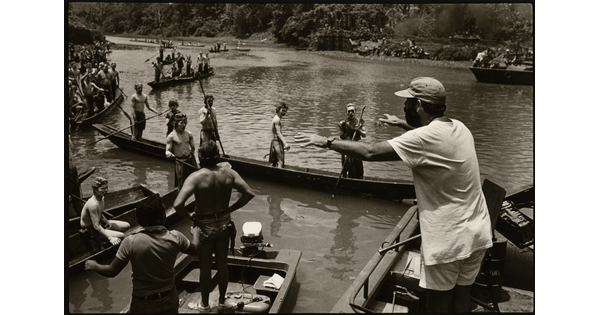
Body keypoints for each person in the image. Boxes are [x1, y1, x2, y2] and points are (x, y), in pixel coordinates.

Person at [294, 77, 493, 313]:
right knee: (461, 300)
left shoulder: (423, 139)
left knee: (437, 307)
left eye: (407, 102)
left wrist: (326, 141)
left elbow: (369, 151)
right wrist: (400, 124)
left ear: (418, 105)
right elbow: (429, 137)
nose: (404, 106)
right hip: (478, 232)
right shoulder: (459, 128)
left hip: (448, 240)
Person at [173, 140, 256, 312]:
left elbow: (177, 205)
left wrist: (189, 217)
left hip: (204, 224)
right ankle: (221, 302)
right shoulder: (229, 173)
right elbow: (249, 193)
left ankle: (204, 305)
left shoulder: (196, 177)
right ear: (217, 156)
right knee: (222, 264)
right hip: (225, 223)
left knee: (205, 267)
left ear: (200, 157)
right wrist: (231, 208)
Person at [85, 194, 202, 314]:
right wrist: (196, 234)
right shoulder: (176, 237)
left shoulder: (130, 242)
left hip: (142, 303)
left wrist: (94, 265)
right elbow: (195, 249)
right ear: (162, 218)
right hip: (169, 299)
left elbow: (111, 271)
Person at [80, 177, 131, 246]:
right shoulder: (93, 204)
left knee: (127, 225)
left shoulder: (102, 197)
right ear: (95, 190)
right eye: (103, 189)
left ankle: (107, 237)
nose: (106, 190)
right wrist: (110, 238)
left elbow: (100, 214)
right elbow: (96, 226)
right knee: (121, 235)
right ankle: (106, 239)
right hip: (90, 229)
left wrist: (106, 222)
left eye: (106, 187)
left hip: (99, 224)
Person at [166, 113, 200, 190]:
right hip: (180, 162)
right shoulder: (171, 136)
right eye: (181, 123)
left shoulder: (189, 134)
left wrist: (197, 162)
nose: (184, 125)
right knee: (181, 185)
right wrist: (169, 154)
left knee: (194, 182)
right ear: (176, 123)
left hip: (190, 160)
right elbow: (167, 151)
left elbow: (193, 150)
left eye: (185, 123)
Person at [337, 103, 366, 179]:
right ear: (346, 112)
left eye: (352, 111)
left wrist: (358, 130)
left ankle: (358, 181)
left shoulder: (359, 122)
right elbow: (341, 137)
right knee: (345, 169)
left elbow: (364, 134)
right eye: (349, 111)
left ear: (355, 112)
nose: (351, 113)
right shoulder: (342, 123)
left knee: (358, 170)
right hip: (346, 147)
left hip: (357, 148)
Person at [269, 102, 290, 168]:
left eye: (285, 111)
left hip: (275, 141)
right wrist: (285, 143)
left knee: (274, 162)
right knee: (281, 161)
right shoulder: (277, 119)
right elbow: (278, 133)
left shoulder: (277, 118)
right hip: (277, 142)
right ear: (278, 109)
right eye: (282, 110)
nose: (284, 112)